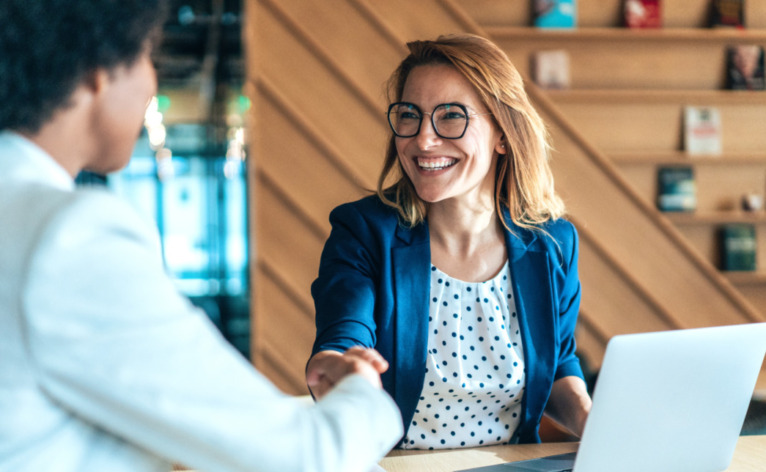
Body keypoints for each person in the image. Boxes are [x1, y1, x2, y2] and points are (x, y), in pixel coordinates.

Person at [0, 1, 402, 471]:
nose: (153, 84)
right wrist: (362, 389)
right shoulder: (67, 237)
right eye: (149, 57)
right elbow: (311, 457)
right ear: (98, 71)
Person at [306, 34, 592, 449]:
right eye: (410, 115)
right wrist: (338, 367)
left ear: (503, 134)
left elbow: (559, 361)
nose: (423, 140)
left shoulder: (553, 243)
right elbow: (343, 337)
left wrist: (591, 419)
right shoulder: (363, 231)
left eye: (452, 116)